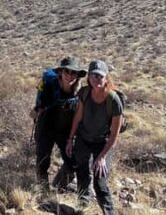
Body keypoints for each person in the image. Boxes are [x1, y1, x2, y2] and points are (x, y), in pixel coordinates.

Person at [66, 60, 122, 215]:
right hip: (83, 139)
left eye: (99, 76)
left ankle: (109, 212)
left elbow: (114, 134)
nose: (96, 79)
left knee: (100, 180)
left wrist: (102, 156)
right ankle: (82, 207)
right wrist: (71, 139)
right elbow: (77, 118)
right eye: (92, 75)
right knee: (82, 172)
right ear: (88, 77)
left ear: (106, 78)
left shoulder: (114, 100)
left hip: (103, 143)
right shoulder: (84, 93)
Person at [31, 56, 87, 191]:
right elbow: (39, 105)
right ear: (60, 72)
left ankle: (59, 184)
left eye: (74, 72)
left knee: (72, 161)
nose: (70, 75)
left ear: (78, 75)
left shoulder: (80, 92)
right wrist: (36, 110)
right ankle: (43, 189)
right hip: (46, 127)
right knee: (43, 159)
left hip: (65, 131)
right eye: (67, 71)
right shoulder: (50, 85)